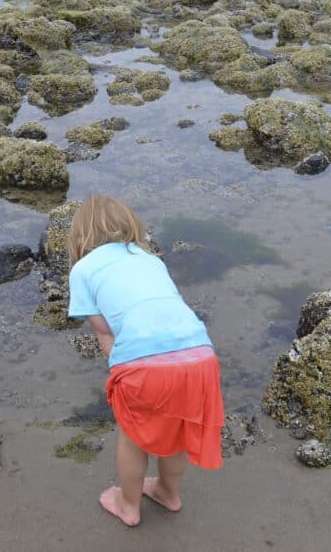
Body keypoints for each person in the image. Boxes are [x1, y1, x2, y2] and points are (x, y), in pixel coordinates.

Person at [66, 194, 224, 526]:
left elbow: (104, 331)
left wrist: (122, 371)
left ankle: (128, 504)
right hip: (200, 356)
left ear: (80, 238)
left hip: (145, 364)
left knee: (134, 436)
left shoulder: (82, 270)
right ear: (130, 226)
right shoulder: (150, 259)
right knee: (178, 428)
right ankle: (168, 492)